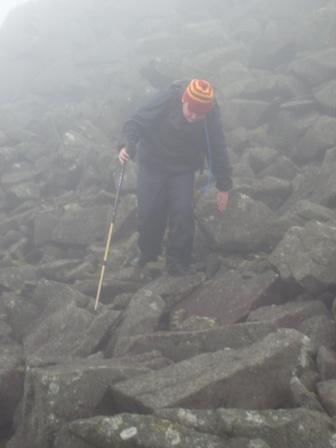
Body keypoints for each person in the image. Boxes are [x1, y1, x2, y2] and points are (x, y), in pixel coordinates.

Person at [118, 79, 232, 276]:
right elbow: (136, 121)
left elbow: (217, 147)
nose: (194, 116)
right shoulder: (168, 99)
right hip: (153, 162)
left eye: (199, 114)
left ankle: (178, 261)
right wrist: (127, 143)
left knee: (183, 211)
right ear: (183, 100)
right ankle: (148, 252)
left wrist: (224, 184)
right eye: (191, 110)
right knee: (150, 210)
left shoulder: (211, 115)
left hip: (183, 167)